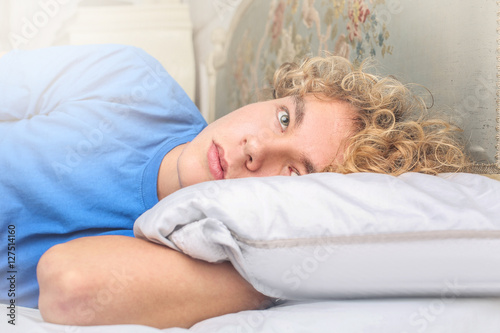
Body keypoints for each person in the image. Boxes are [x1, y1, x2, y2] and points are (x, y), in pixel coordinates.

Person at [0, 44, 466, 328]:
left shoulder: (196, 253)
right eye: (284, 117)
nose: (255, 147)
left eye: (294, 174)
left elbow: (71, 286)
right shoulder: (128, 78)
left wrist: (299, 273)